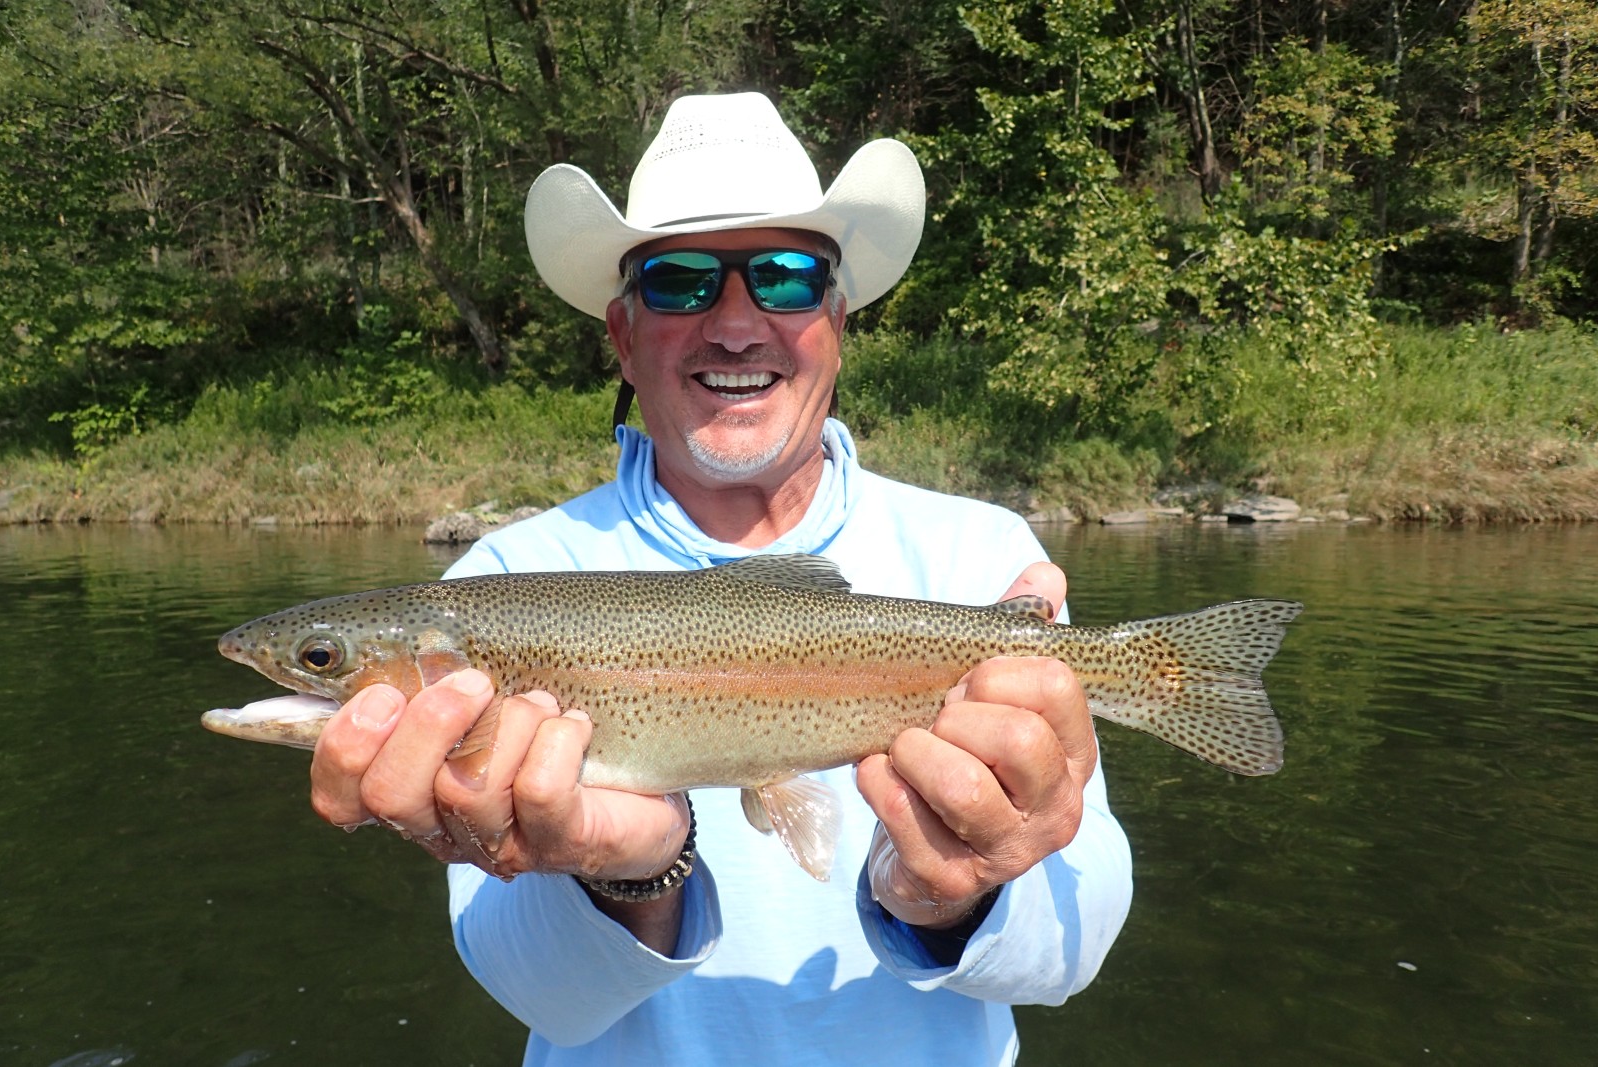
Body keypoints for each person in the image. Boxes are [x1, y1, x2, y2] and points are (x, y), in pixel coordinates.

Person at [308, 92, 1132, 1065]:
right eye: (679, 280)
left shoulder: (983, 561)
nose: (735, 322)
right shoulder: (501, 577)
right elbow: (541, 997)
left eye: (785, 277)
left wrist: (948, 886)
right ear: (622, 333)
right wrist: (633, 866)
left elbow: (1072, 954)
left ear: (834, 320)